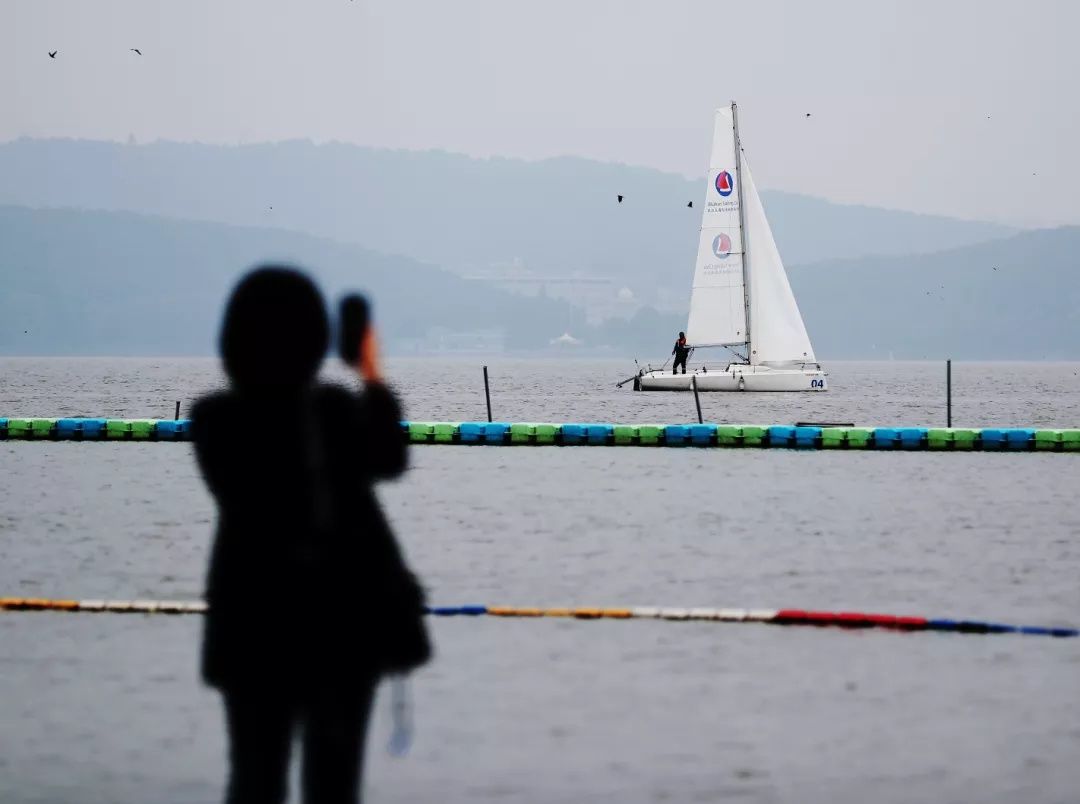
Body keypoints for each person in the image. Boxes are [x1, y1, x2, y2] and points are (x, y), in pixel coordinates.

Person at [191, 266, 429, 804]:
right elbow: (390, 460)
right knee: (334, 782)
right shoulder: (333, 411)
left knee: (255, 776)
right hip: (343, 626)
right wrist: (367, 369)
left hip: (250, 626)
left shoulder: (215, 420)